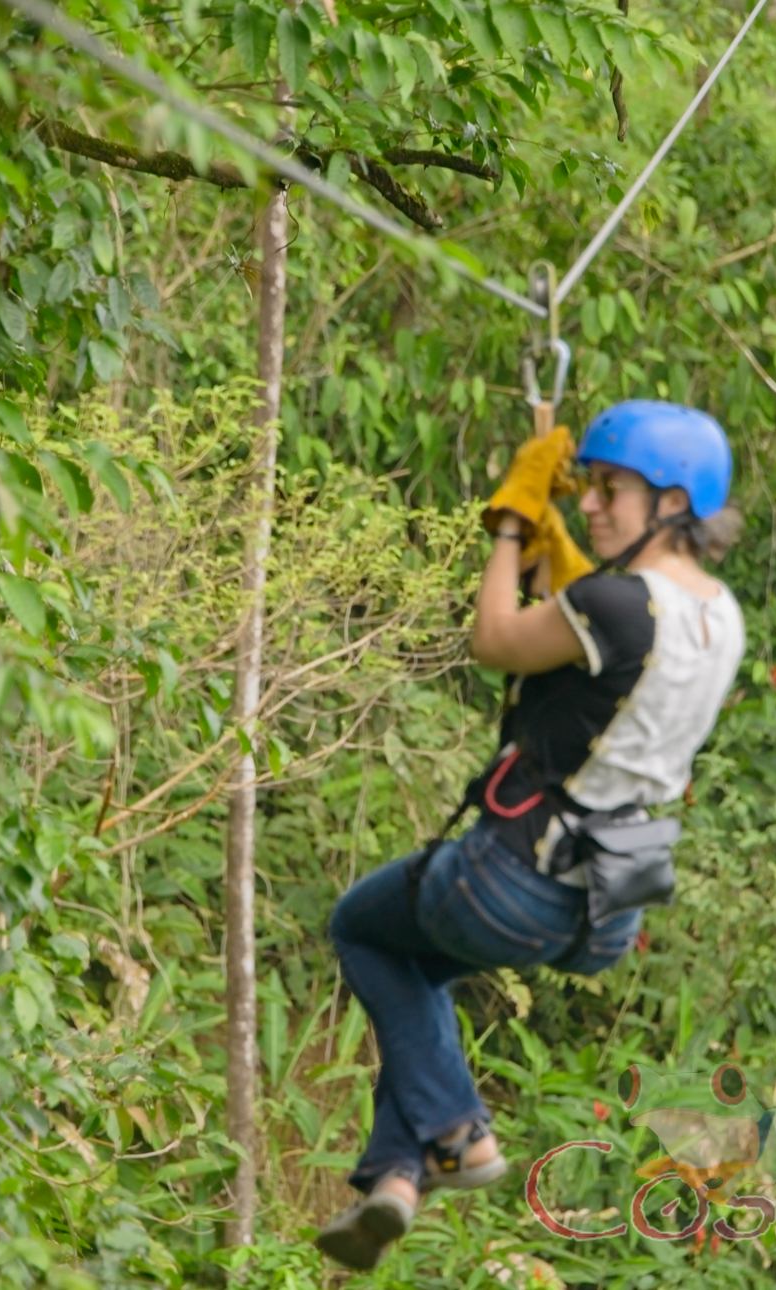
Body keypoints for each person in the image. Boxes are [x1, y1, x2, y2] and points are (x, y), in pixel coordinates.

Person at [314, 401, 747, 1271]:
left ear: (670, 502)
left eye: (610, 490)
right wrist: (557, 533)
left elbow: (499, 639)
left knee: (360, 929)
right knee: (417, 978)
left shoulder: (616, 605)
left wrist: (514, 522)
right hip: (604, 908)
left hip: (507, 880)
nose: (592, 505)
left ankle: (456, 1133)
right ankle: (396, 1179)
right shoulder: (718, 616)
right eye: (585, 489)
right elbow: (603, 630)